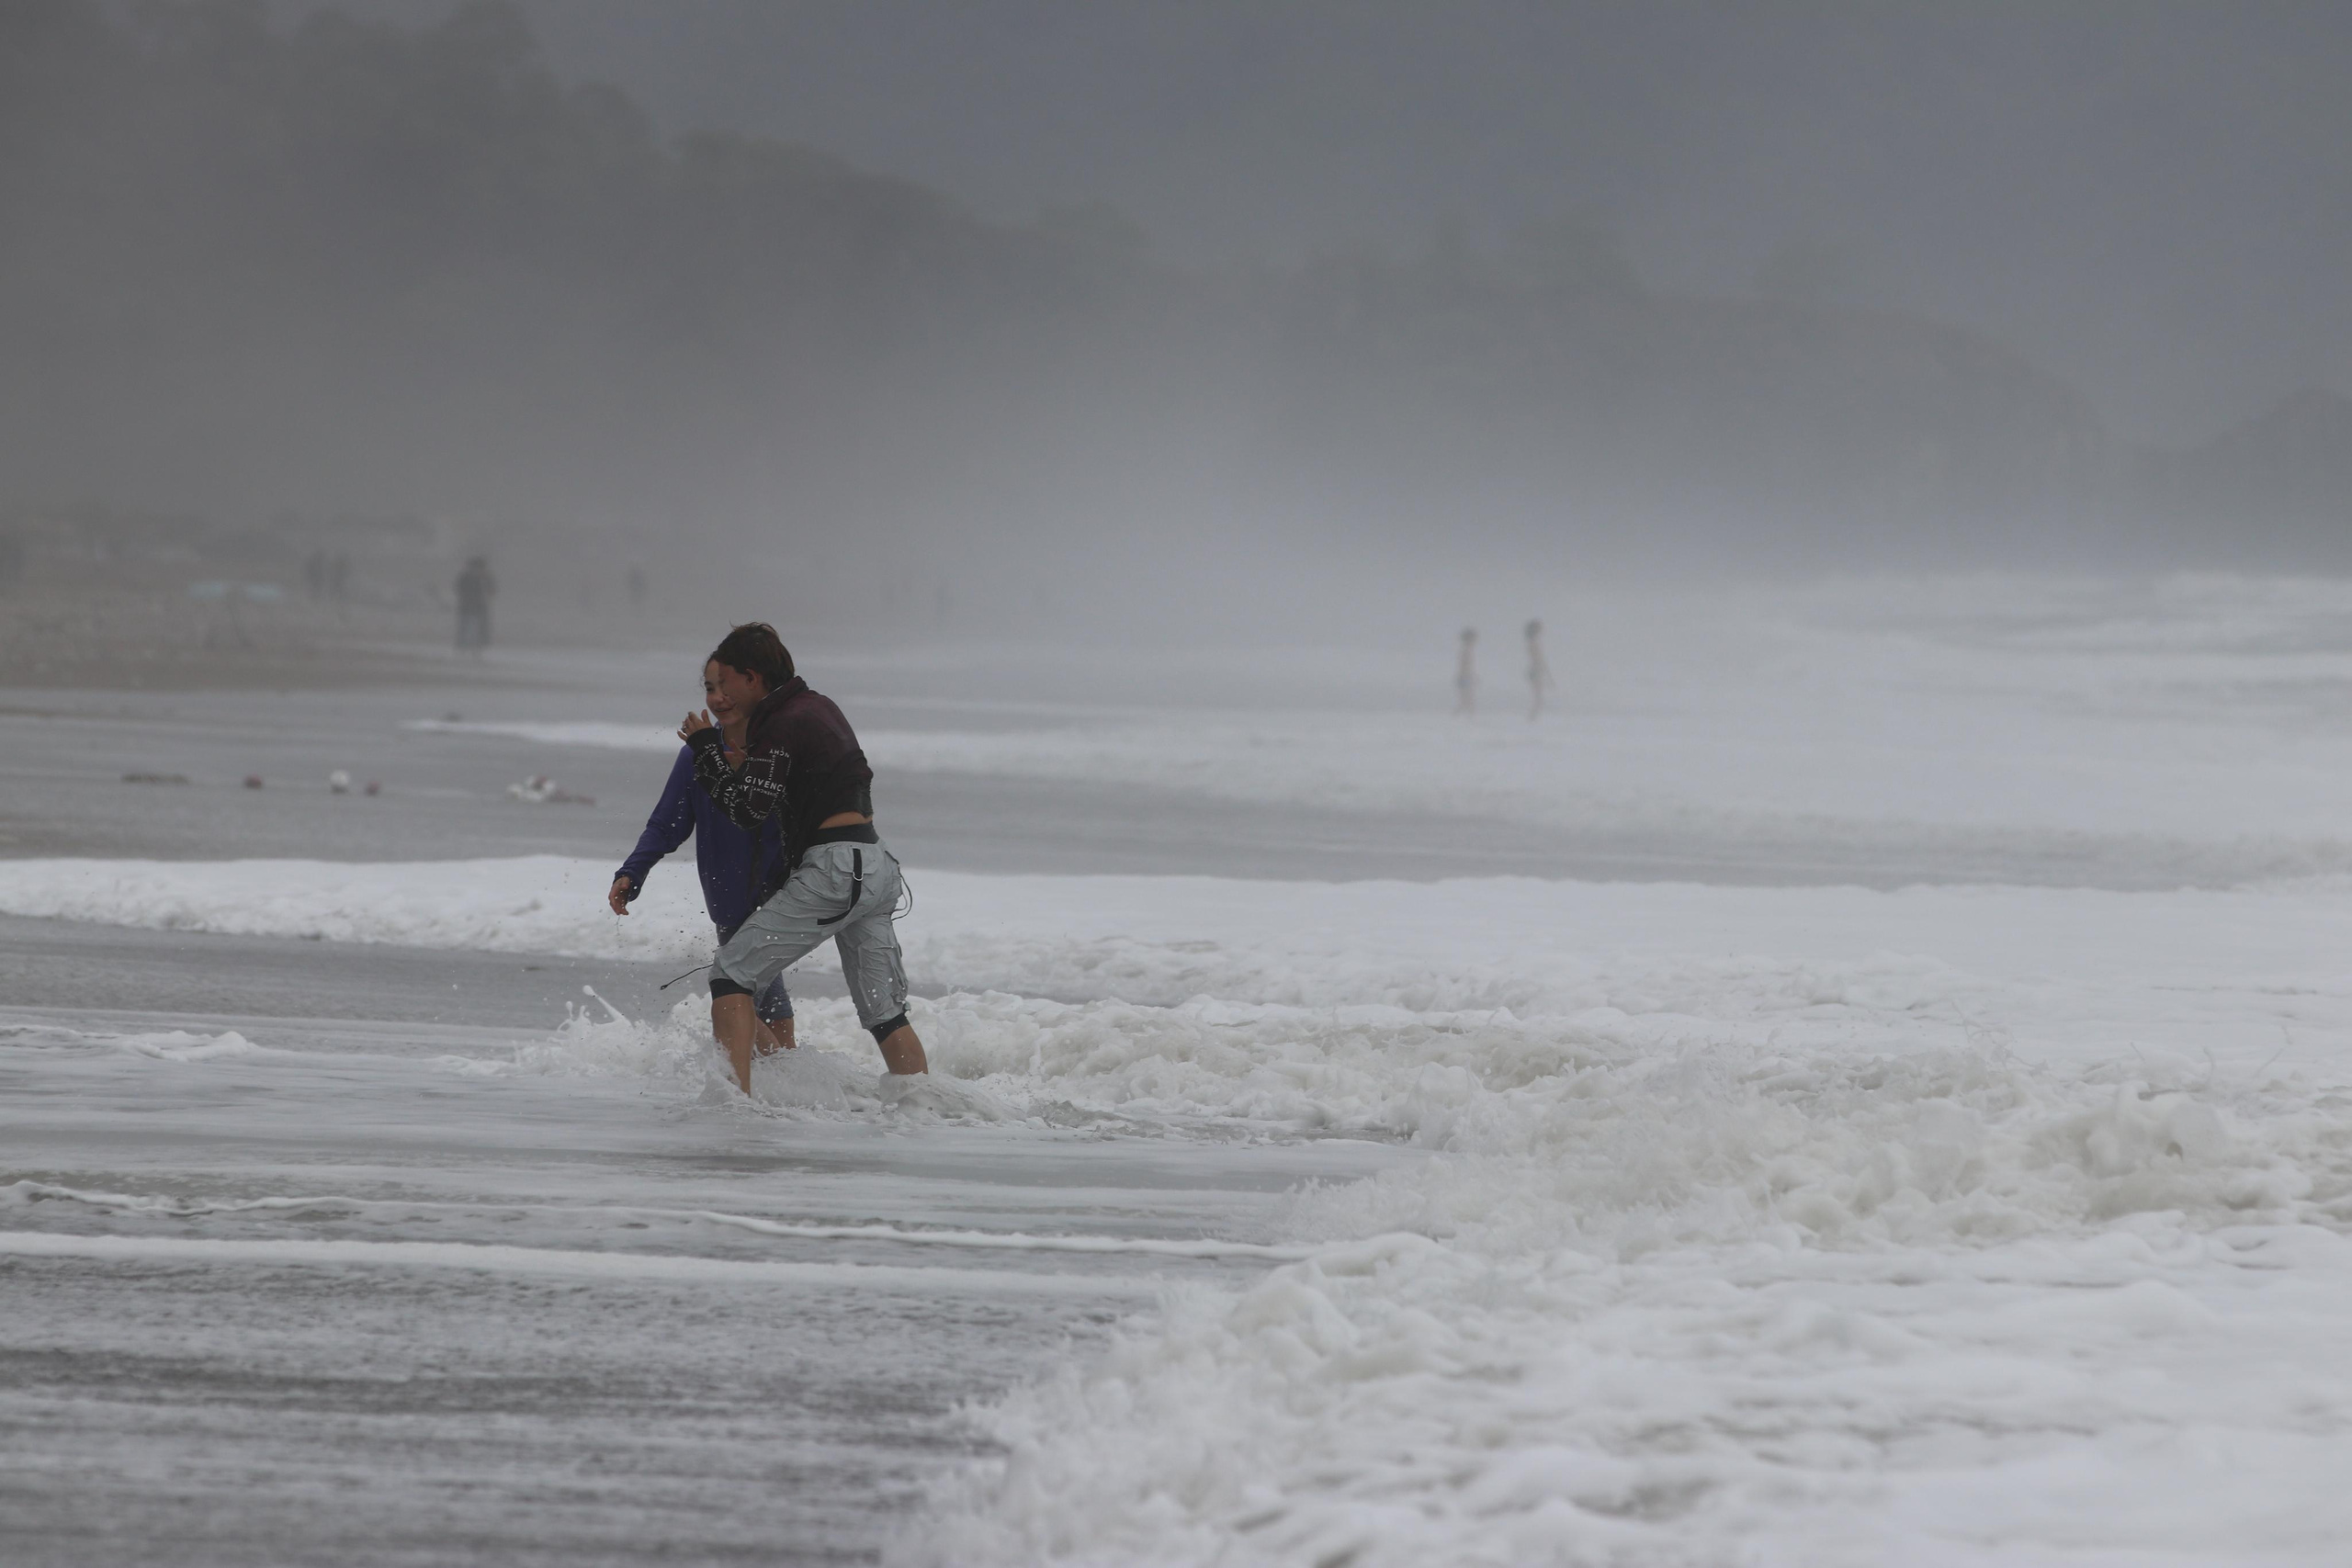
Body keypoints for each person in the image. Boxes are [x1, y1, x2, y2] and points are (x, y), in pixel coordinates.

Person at [680, 623, 928, 1093]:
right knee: (886, 1014)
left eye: (724, 681)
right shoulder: (819, 707)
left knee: (730, 972)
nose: (719, 696)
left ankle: (732, 1106)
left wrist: (705, 752)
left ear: (751, 678)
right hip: (874, 866)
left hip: (837, 869)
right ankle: (926, 1114)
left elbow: (749, 811)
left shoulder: (783, 721)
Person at [608, 657, 797, 1062]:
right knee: (763, 1003)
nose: (718, 698)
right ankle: (791, 1090)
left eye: (727, 687)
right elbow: (667, 823)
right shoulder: (697, 754)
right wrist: (633, 871)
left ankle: (782, 1090)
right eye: (710, 689)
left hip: (783, 900)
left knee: (735, 993)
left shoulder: (779, 748)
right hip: (730, 904)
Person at [455, 555, 496, 653]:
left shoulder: (485, 578)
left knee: (478, 628)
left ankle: (477, 648)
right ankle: (463, 647)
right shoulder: (465, 577)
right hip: (467, 606)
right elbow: (459, 589)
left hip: (479, 607)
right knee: (465, 627)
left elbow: (492, 590)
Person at [1524, 617, 1552, 720]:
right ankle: (1532, 719)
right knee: (1539, 697)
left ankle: (1533, 718)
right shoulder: (1533, 643)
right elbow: (1538, 659)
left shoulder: (1533, 643)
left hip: (1536, 670)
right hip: (1536, 671)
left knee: (1539, 697)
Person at [1454, 626, 1478, 715]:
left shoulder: (1467, 650)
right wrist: (1468, 677)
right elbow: (1464, 666)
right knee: (1467, 699)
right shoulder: (1466, 651)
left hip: (1466, 677)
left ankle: (1468, 716)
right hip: (1465, 677)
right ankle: (1468, 716)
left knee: (1466, 699)